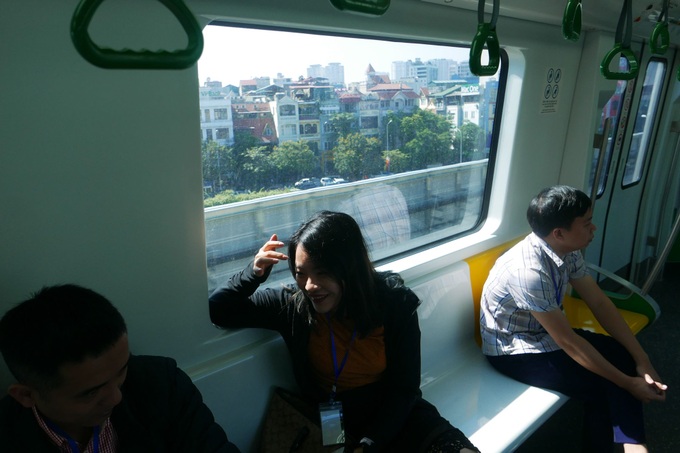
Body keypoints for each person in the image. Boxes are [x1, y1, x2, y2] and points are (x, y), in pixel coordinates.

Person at [209, 211, 478, 453]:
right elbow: (219, 309)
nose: (310, 286)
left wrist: (369, 444)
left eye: (322, 273)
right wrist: (253, 274)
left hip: (396, 418)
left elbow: (405, 390)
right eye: (301, 273)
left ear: (350, 269)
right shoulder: (292, 305)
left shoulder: (395, 304)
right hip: (334, 426)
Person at [480, 185, 667, 452]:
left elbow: (599, 303)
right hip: (516, 351)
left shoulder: (566, 250)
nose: (594, 229)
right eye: (587, 223)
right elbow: (568, 341)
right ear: (559, 233)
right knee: (603, 386)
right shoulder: (528, 271)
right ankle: (632, 447)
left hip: (546, 336)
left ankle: (631, 444)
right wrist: (628, 383)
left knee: (622, 354)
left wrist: (643, 360)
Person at [0, 284, 241, 452]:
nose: (116, 397)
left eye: (121, 372)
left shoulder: (161, 383)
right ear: (26, 395)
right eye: (90, 393)